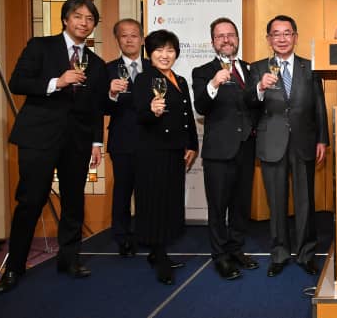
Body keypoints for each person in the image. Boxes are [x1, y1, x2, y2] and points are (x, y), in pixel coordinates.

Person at [0, 0, 108, 294]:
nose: (84, 22)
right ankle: (14, 268)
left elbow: (96, 106)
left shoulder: (95, 63)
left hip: (78, 143)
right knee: (31, 201)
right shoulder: (41, 46)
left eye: (90, 19)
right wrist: (56, 82)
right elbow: (17, 82)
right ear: (65, 20)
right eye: (78, 17)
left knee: (73, 203)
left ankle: (68, 260)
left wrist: (97, 142)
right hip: (39, 139)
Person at [247, 15, 329, 277]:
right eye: (276, 34)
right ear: (268, 38)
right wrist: (260, 88)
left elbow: (319, 106)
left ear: (295, 36)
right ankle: (279, 253)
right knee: (277, 202)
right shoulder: (257, 68)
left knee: (306, 203)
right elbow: (248, 104)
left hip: (305, 142)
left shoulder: (310, 67)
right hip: (272, 143)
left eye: (287, 33)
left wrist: (322, 139)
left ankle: (307, 254)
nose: (281, 39)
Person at [191, 17, 259, 280]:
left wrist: (262, 91)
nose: (226, 39)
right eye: (220, 36)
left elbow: (255, 105)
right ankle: (220, 256)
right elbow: (201, 107)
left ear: (238, 40)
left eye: (231, 35)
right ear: (213, 42)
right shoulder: (202, 71)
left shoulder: (251, 69)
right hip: (219, 151)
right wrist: (214, 84)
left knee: (241, 206)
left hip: (246, 148)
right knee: (218, 207)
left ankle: (236, 249)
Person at [132, 30, 198, 285]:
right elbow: (140, 115)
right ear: (150, 53)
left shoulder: (179, 80)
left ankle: (159, 251)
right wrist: (151, 111)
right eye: (159, 50)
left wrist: (192, 144)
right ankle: (158, 256)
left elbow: (187, 116)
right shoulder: (143, 79)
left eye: (170, 50)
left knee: (169, 203)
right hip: (152, 152)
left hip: (175, 151)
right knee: (154, 203)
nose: (165, 55)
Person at [104, 18, 149, 258]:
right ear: (118, 40)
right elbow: (101, 107)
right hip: (122, 141)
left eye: (134, 35)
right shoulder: (107, 70)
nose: (130, 39)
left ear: (142, 39)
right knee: (122, 191)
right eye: (124, 36)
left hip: (151, 143)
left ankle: (146, 234)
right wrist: (111, 94)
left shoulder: (155, 67)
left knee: (147, 192)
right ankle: (122, 238)